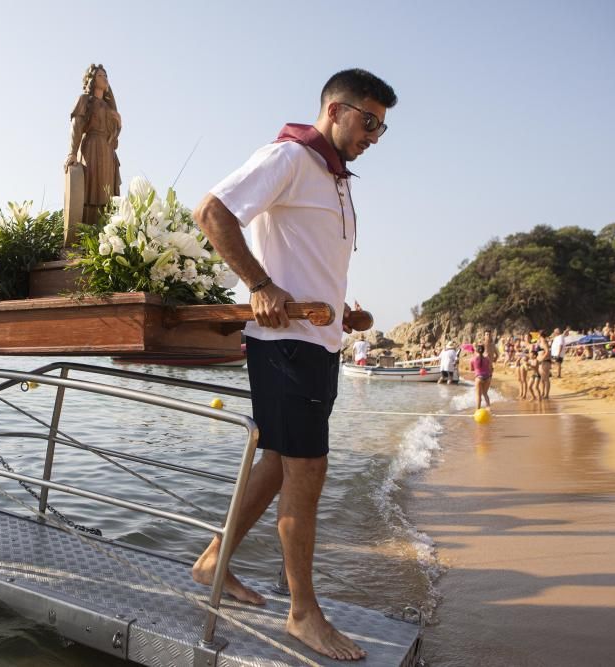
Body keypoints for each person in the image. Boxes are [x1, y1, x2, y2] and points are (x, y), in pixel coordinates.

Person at [189, 68, 396, 662]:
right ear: (335, 109)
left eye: (383, 126)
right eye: (369, 120)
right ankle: (302, 613)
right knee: (307, 473)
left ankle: (211, 562)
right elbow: (212, 211)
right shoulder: (289, 157)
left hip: (319, 341)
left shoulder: (335, 177)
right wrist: (260, 284)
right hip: (286, 347)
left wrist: (344, 317)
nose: (376, 135)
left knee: (280, 463)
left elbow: (309, 262)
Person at [64, 64, 121, 235]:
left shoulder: (110, 108)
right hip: (92, 148)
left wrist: (117, 123)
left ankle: (107, 234)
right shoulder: (84, 100)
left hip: (108, 152)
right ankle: (86, 232)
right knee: (91, 189)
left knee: (108, 193)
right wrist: (72, 152)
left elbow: (115, 140)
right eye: (100, 76)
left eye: (105, 76)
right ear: (92, 80)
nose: (104, 79)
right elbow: (77, 126)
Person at [470, 343, 493, 410]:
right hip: (487, 377)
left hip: (479, 378)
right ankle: (488, 408)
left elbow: (471, 369)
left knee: (478, 395)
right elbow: (489, 368)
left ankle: (478, 410)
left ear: (476, 350)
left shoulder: (473, 359)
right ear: (483, 350)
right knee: (485, 393)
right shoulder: (487, 359)